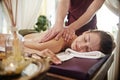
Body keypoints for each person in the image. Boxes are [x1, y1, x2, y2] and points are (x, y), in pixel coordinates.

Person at [24, 30, 115, 64]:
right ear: (86, 32)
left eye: (87, 49)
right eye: (86, 39)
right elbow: (16, 44)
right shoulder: (58, 43)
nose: (80, 46)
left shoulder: (69, 38)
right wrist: (37, 53)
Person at [40, 0, 105, 43]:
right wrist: (59, 23)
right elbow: (64, 2)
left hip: (87, 27)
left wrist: (71, 28)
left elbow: (92, 10)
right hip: (70, 21)